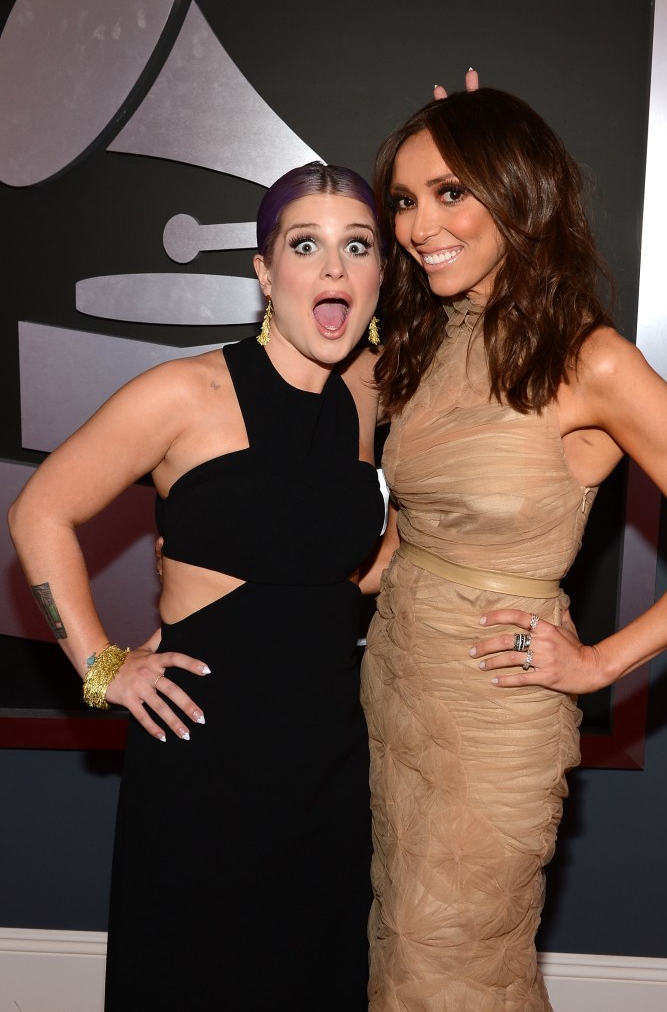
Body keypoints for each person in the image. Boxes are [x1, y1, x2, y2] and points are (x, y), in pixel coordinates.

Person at [359, 86, 667, 1011]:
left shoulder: (592, 364)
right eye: (405, 198)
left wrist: (598, 663)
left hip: (498, 707)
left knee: (445, 963)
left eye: (453, 192)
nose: (420, 223)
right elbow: (407, 533)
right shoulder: (430, 339)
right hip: (398, 679)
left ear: (520, 194)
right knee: (405, 950)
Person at [8, 162, 386, 1010]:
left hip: (330, 753)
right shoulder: (185, 392)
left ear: (379, 275)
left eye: (356, 247)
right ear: (263, 270)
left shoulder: (366, 389)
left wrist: (476, 168)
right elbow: (39, 513)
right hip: (206, 750)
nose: (333, 270)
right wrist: (101, 665)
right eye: (306, 245)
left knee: (319, 977)